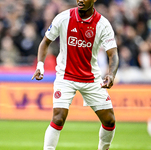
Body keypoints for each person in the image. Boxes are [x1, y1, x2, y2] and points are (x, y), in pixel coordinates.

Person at [32, 0, 119, 149]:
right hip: (65, 77)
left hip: (91, 78)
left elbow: (113, 54)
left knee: (109, 121)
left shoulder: (102, 24)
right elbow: (45, 42)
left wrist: (111, 75)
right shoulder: (63, 18)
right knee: (58, 118)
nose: (80, 0)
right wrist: (40, 65)